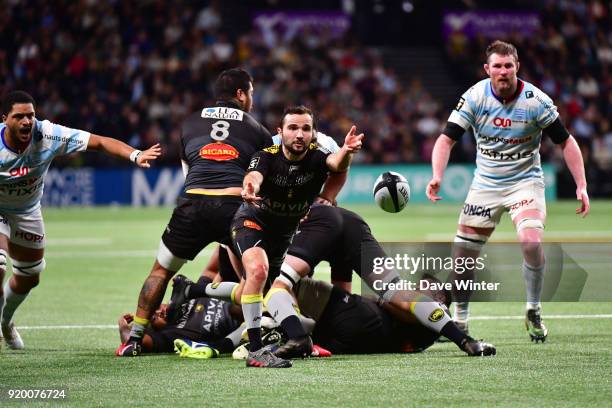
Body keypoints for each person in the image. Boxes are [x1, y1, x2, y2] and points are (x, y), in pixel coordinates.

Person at [425, 40, 590, 342]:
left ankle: (534, 309)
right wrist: (437, 175)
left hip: (525, 183)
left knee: (529, 240)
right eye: (497, 66)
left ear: (517, 67)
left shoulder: (535, 101)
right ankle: (460, 322)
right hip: (485, 185)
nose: (503, 72)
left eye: (508, 66)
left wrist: (581, 184)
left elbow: (566, 141)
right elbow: (446, 139)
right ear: (487, 69)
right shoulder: (474, 97)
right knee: (463, 256)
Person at [116, 68, 273, 357]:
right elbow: (263, 181)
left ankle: (134, 339)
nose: (251, 98)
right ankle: (256, 342)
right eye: (250, 93)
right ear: (240, 94)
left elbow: (189, 174)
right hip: (234, 207)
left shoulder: (189, 123)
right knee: (252, 278)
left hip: (192, 204)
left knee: (160, 271)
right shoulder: (258, 130)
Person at [0, 90, 161, 350]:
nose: (27, 122)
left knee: (30, 276)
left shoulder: (48, 134)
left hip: (28, 211)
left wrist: (135, 155)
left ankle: (6, 323)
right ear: (4, 118)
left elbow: (99, 142)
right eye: (19, 116)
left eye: (30, 115)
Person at [233, 105, 363, 367]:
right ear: (281, 132)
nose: (300, 134)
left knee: (277, 295)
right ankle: (257, 352)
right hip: (252, 221)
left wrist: (346, 152)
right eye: (293, 128)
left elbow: (336, 164)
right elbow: (254, 176)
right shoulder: (266, 155)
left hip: (284, 236)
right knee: (258, 272)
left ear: (313, 133)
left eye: (306, 128)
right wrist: (250, 186)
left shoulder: (318, 157)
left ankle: (195, 290)